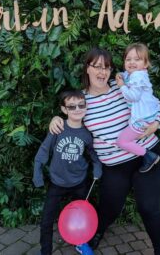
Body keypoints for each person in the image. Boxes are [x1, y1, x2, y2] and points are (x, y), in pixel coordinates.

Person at [49, 47, 160, 255]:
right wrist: (56, 119)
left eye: (106, 67)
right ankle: (93, 236)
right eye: (96, 66)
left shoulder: (123, 85)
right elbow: (70, 119)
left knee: (149, 208)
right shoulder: (82, 101)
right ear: (87, 68)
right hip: (115, 166)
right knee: (109, 208)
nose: (102, 72)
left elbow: (153, 101)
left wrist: (157, 122)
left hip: (147, 157)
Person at [33, 90, 102, 255]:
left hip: (79, 182)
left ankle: (81, 242)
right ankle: (46, 251)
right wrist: (37, 173)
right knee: (47, 221)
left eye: (81, 105)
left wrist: (98, 168)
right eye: (72, 106)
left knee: (82, 217)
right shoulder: (57, 127)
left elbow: (93, 154)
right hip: (57, 183)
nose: (77, 109)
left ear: (86, 106)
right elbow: (44, 150)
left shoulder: (87, 134)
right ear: (64, 110)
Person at [115, 43, 160, 173]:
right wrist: (120, 75)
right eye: (128, 59)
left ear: (146, 63)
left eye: (137, 59)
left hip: (142, 120)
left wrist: (121, 85)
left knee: (122, 141)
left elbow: (133, 96)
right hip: (146, 116)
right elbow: (127, 75)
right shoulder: (138, 74)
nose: (132, 62)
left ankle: (149, 156)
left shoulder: (138, 77)